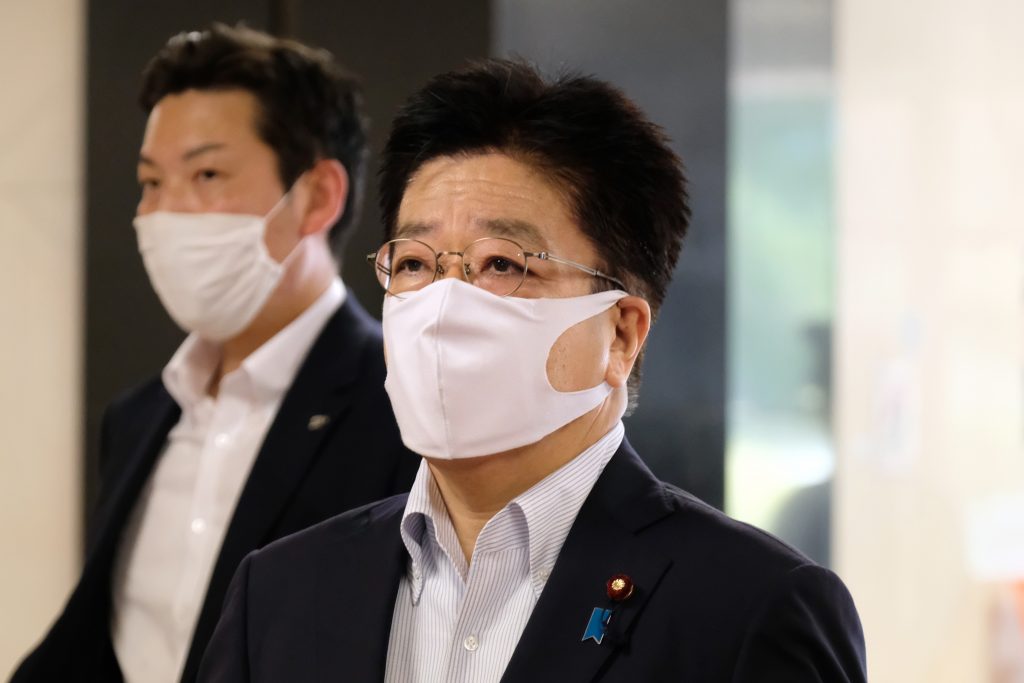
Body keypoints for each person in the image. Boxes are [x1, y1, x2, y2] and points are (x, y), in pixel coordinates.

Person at [197, 58, 867, 682]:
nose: (443, 304)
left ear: (622, 332)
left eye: (503, 264)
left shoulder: (749, 608)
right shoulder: (281, 592)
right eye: (415, 264)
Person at [11, 24, 418, 683]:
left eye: (206, 173)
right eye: (150, 182)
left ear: (318, 195)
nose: (165, 212)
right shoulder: (139, 417)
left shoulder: (403, 405)